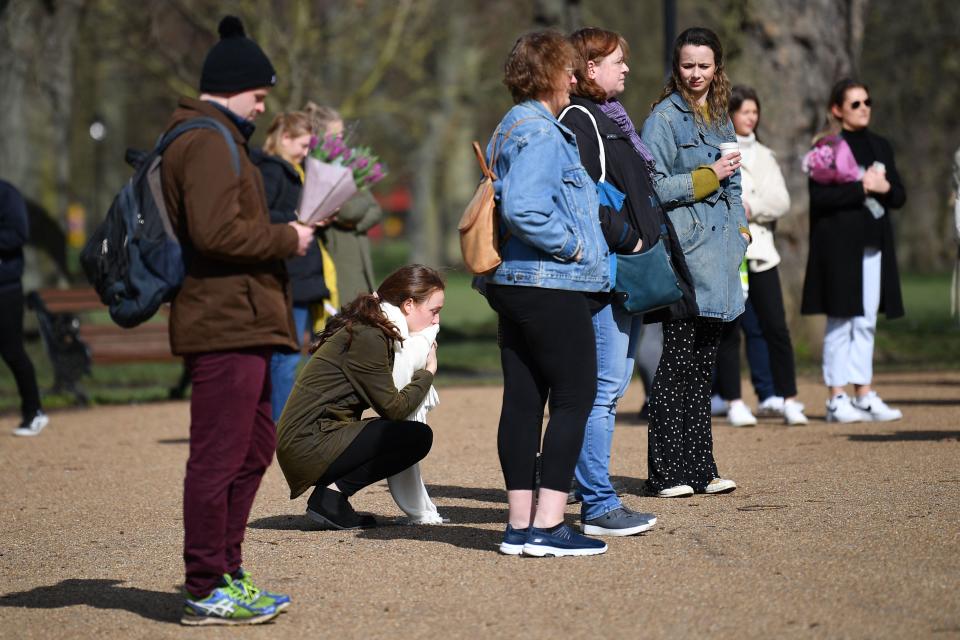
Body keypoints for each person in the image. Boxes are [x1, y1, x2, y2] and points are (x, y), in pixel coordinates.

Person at [160, 16, 316, 626]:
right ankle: (205, 585)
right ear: (232, 87)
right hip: (222, 319)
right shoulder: (204, 140)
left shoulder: (221, 137)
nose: (264, 103)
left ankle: (227, 569)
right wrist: (288, 237)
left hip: (246, 317)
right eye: (259, 92)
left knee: (253, 447)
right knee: (219, 455)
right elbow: (215, 231)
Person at [560, 27, 699, 535]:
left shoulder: (606, 117)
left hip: (625, 273)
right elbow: (583, 197)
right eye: (617, 61)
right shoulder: (578, 117)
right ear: (589, 68)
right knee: (601, 390)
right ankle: (597, 503)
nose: (627, 68)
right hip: (608, 274)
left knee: (607, 388)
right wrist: (629, 239)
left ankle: (580, 484)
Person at [483, 30, 610, 557]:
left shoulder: (510, 127)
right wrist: (577, 245)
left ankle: (519, 526)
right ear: (552, 75)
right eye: (570, 70)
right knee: (576, 395)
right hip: (547, 283)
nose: (576, 79)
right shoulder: (538, 132)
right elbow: (525, 209)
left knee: (524, 400)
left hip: (515, 283)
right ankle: (549, 526)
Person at [640, 26, 746, 497]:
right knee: (676, 363)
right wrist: (707, 176)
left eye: (704, 65)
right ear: (676, 66)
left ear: (716, 67)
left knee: (704, 366)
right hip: (685, 256)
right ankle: (666, 472)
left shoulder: (721, 116)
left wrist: (742, 229)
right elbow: (652, 188)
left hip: (722, 258)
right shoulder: (664, 118)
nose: (696, 74)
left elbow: (736, 180)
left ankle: (701, 469)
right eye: (688, 65)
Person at [275, 265, 440, 530]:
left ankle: (331, 499)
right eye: (434, 311)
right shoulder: (371, 335)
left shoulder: (374, 326)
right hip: (307, 443)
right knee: (415, 437)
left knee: (407, 435)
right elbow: (394, 410)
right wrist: (428, 372)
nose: (435, 321)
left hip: (314, 435)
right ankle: (330, 499)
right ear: (409, 305)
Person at [801, 79, 906, 422]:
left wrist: (886, 186)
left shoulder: (880, 145)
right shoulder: (829, 146)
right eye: (855, 104)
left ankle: (863, 392)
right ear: (837, 109)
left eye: (867, 101)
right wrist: (860, 187)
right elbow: (820, 198)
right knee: (842, 319)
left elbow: (899, 196)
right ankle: (836, 397)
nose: (864, 108)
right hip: (839, 246)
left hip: (874, 243)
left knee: (866, 320)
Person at [712, 85, 808, 426]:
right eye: (744, 112)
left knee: (775, 327)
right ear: (731, 114)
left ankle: (789, 397)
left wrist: (752, 207)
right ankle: (733, 399)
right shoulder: (717, 150)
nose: (751, 118)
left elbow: (781, 200)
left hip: (763, 253)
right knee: (730, 329)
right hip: (731, 253)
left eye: (755, 112)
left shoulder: (766, 155)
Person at [252, 111, 330, 422]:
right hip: (287, 274)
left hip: (299, 274)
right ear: (284, 138)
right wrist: (299, 218)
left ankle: (283, 418)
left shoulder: (290, 170)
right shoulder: (271, 172)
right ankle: (280, 423)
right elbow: (260, 218)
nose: (306, 152)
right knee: (284, 356)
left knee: (291, 354)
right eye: (302, 144)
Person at [304, 103, 384, 305]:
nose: (342, 142)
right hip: (339, 261)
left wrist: (355, 222)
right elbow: (348, 211)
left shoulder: (346, 166)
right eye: (336, 136)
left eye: (342, 135)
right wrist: (357, 203)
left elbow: (375, 210)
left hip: (359, 258)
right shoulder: (317, 170)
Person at [0, 180, 48, 437]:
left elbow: (19, 233)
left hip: (5, 288)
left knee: (12, 352)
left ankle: (34, 412)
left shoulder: (7, 194)